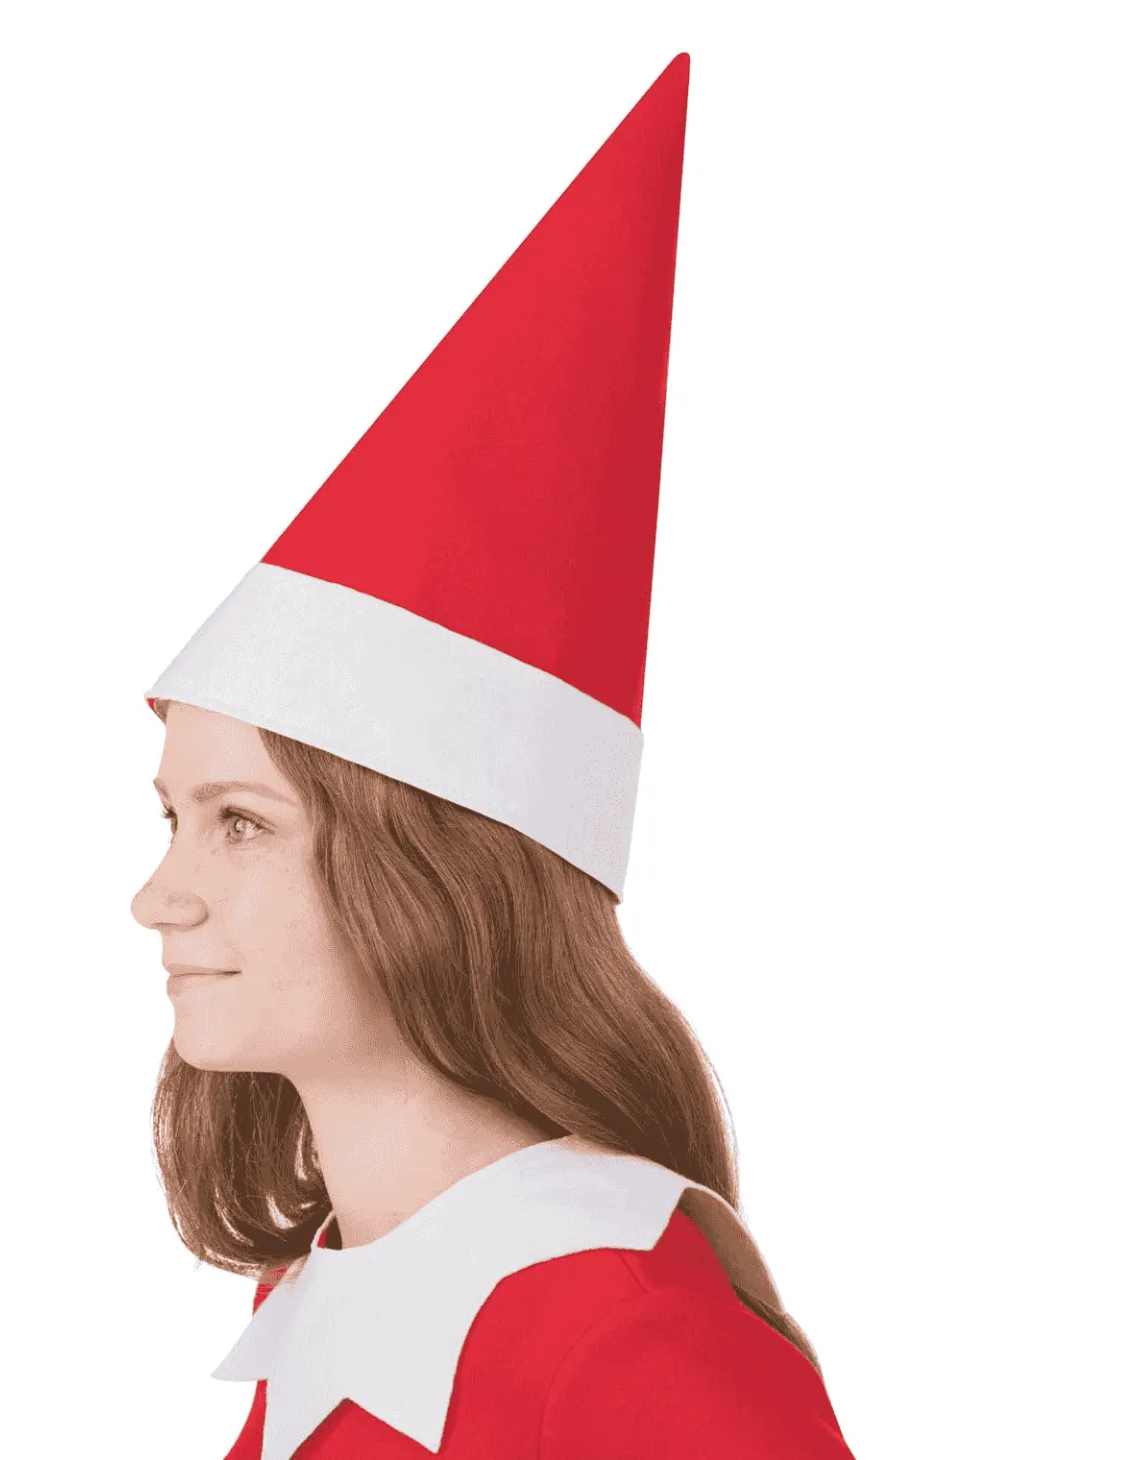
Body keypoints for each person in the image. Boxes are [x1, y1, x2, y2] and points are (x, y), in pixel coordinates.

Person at [131, 53, 855, 1459]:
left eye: (240, 822)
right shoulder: (325, 1306)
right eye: (172, 818)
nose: (159, 896)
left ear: (437, 868)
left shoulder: (626, 1342)